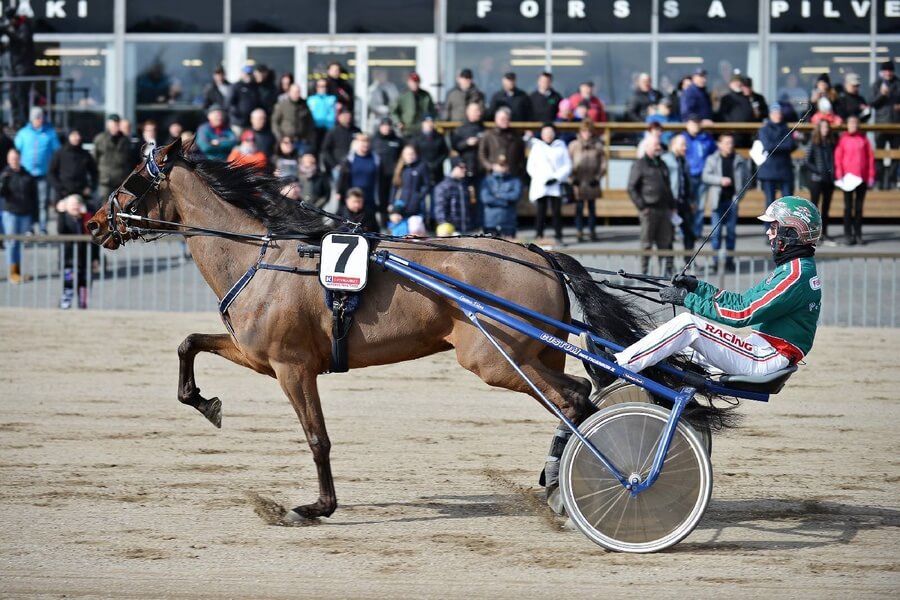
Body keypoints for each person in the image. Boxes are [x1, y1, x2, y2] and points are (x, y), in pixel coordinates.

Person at [609, 196, 821, 381]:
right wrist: (698, 288)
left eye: (773, 228)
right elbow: (741, 302)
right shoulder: (793, 269)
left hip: (764, 359)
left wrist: (687, 299)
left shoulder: (795, 275)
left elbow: (741, 314)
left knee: (688, 325)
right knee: (667, 342)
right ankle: (619, 351)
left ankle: (617, 366)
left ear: (791, 233)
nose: (768, 233)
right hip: (759, 350)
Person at [702, 133, 749, 273]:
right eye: (727, 142)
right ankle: (716, 261)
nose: (730, 145)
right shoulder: (712, 159)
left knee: (731, 233)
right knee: (716, 233)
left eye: (731, 142)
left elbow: (747, 179)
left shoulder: (739, 159)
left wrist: (740, 196)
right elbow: (705, 176)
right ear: (719, 144)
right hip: (717, 202)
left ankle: (729, 261)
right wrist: (720, 180)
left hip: (732, 201)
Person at [628, 136, 675, 275]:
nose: (658, 148)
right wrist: (642, 206)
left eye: (659, 145)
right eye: (655, 145)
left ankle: (666, 274)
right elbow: (631, 188)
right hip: (649, 210)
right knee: (646, 244)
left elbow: (667, 187)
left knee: (665, 243)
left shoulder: (662, 164)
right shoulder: (639, 164)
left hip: (664, 210)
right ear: (647, 147)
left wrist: (672, 205)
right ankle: (644, 273)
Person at [14, 107, 60, 234]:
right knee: (28, 201)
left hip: (43, 174)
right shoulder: (23, 133)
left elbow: (57, 151)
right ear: (31, 119)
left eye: (40, 117)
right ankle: (29, 228)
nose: (39, 119)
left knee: (43, 202)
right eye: (36, 117)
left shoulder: (50, 133)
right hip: (26, 174)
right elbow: (16, 151)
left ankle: (43, 228)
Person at [527, 124, 572, 246]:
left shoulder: (561, 146)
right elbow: (531, 167)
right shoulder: (537, 146)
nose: (548, 135)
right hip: (541, 184)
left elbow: (567, 165)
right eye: (545, 133)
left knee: (556, 211)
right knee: (541, 211)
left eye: (550, 132)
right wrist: (542, 179)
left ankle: (558, 236)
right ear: (542, 134)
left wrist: (556, 178)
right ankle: (538, 236)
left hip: (556, 184)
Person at [834, 115, 875, 246]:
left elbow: (870, 158)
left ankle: (858, 234)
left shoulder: (863, 139)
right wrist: (839, 173)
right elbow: (838, 157)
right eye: (851, 123)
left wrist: (871, 175)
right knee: (848, 208)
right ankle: (848, 235)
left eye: (855, 123)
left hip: (861, 177)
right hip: (847, 178)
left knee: (859, 208)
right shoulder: (843, 139)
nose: (853, 125)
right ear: (847, 125)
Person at [0, 148, 37, 283]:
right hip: (10, 213)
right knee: (11, 243)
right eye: (11, 158)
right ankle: (13, 273)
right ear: (8, 160)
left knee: (19, 244)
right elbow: (2, 194)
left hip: (25, 213)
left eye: (16, 158)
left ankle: (17, 271)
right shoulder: (5, 175)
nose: (14, 161)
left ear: (20, 159)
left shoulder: (27, 175)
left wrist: (35, 217)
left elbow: (34, 197)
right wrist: (3, 182)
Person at [568, 120, 605, 242]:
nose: (587, 134)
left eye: (589, 132)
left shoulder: (598, 146)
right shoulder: (574, 145)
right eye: (584, 131)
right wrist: (572, 179)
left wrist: (597, 178)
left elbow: (603, 164)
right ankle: (579, 231)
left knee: (592, 208)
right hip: (578, 181)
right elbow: (568, 163)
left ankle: (592, 231)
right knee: (579, 208)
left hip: (591, 181)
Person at [757, 104, 796, 218]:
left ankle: (787, 226)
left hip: (785, 169)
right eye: (775, 113)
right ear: (770, 115)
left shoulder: (787, 129)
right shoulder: (764, 130)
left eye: (779, 113)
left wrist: (776, 146)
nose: (777, 115)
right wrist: (782, 145)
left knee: (788, 202)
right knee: (770, 202)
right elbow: (768, 146)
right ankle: (769, 227)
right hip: (769, 170)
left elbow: (790, 145)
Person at [55, 194, 94, 309]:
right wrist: (61, 213)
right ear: (66, 206)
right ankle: (65, 308)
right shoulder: (64, 218)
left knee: (84, 286)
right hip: (69, 261)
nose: (75, 206)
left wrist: (95, 258)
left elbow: (93, 238)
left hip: (85, 260)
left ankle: (83, 307)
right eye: (72, 204)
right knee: (68, 286)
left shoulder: (86, 218)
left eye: (77, 204)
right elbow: (61, 230)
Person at [683, 115, 717, 238]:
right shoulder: (682, 138)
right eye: (693, 123)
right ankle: (684, 231)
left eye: (697, 123)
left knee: (700, 206)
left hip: (703, 176)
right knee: (686, 204)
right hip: (687, 176)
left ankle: (696, 232)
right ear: (687, 124)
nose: (695, 126)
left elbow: (714, 153)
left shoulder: (707, 138)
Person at [93, 113, 137, 208]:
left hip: (121, 181)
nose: (114, 127)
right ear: (108, 125)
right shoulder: (100, 139)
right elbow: (94, 160)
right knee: (104, 207)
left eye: (116, 124)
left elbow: (129, 160)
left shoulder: (125, 140)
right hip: (105, 182)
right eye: (112, 125)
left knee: (120, 207)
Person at [49, 129, 98, 211]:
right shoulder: (60, 153)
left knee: (87, 214)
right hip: (63, 193)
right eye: (74, 135)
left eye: (78, 135)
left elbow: (94, 172)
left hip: (82, 193)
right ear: (69, 137)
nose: (77, 138)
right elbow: (51, 173)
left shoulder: (85, 154)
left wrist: (91, 187)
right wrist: (59, 188)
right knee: (62, 214)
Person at [662, 134, 694, 258]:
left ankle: (689, 261)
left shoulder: (684, 161)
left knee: (689, 233)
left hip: (684, 202)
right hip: (670, 203)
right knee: (668, 235)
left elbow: (687, 182)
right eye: (682, 145)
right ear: (673, 145)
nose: (685, 148)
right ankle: (668, 264)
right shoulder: (665, 160)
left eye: (685, 145)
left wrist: (692, 199)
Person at [804, 120, 836, 244]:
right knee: (814, 208)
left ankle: (824, 232)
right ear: (819, 128)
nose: (825, 129)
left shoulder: (831, 143)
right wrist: (819, 171)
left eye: (827, 127)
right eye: (823, 127)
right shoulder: (813, 142)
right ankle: (813, 233)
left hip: (829, 179)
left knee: (826, 207)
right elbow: (807, 161)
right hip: (816, 179)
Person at [870, 61, 900, 189]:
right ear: (882, 72)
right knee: (879, 153)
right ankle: (879, 180)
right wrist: (882, 94)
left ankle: (892, 181)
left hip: (896, 125)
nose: (888, 73)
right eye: (886, 70)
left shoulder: (898, 83)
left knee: (895, 153)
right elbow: (872, 102)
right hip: (880, 124)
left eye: (890, 70)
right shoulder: (877, 84)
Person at [388, 145, 429, 236]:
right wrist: (391, 203)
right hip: (400, 206)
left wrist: (418, 197)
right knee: (399, 233)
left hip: (416, 208)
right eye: (407, 154)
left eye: (412, 154)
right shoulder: (400, 168)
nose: (410, 156)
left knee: (415, 228)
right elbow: (394, 187)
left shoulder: (422, 167)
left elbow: (426, 185)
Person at [4, 7, 34, 129]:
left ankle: (23, 122)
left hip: (23, 69)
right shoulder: (14, 30)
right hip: (14, 70)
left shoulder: (24, 27)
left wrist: (9, 32)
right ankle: (15, 121)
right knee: (13, 97)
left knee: (21, 96)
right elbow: (8, 48)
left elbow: (22, 42)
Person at [336, 133, 379, 213]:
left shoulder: (375, 158)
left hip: (369, 198)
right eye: (362, 142)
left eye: (367, 142)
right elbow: (342, 176)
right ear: (356, 143)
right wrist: (339, 191)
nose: (365, 144)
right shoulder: (350, 158)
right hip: (353, 198)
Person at [478, 107, 525, 180]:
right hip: (492, 175)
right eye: (502, 119)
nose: (505, 121)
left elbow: (521, 155)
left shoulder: (515, 136)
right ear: (496, 119)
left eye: (507, 119)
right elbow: (482, 155)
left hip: (511, 175)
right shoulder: (488, 135)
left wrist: (515, 168)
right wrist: (491, 167)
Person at [480, 156, 521, 239]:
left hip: (508, 222)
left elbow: (515, 196)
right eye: (500, 165)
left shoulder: (515, 180)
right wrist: (505, 201)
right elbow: (486, 199)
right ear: (494, 166)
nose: (503, 168)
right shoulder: (487, 180)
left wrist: (499, 195)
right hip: (491, 222)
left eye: (505, 165)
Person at [371, 117, 403, 223]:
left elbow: (402, 156)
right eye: (384, 126)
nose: (387, 128)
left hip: (394, 175)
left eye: (388, 126)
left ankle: (392, 220)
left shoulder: (397, 140)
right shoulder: (374, 139)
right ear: (380, 127)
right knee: (381, 198)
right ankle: (382, 221)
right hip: (378, 175)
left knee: (392, 198)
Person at [434, 158, 476, 235]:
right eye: (461, 167)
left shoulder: (465, 185)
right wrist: (444, 225)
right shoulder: (443, 187)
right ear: (453, 168)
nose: (464, 170)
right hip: (452, 231)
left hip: (468, 229)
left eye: (465, 167)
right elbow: (440, 208)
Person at [272, 84, 314, 155]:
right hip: (286, 141)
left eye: (298, 92)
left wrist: (308, 137)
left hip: (301, 141)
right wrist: (280, 137)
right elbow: (275, 122)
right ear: (289, 93)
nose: (296, 94)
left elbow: (310, 123)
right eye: (294, 92)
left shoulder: (304, 105)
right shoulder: (282, 105)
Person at [391, 72, 435, 137]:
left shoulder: (425, 95)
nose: (414, 84)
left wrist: (430, 121)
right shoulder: (402, 95)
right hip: (407, 129)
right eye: (412, 82)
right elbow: (393, 111)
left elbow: (432, 111)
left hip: (422, 129)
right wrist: (398, 122)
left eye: (416, 82)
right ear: (408, 83)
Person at [320, 108, 360, 179]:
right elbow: (325, 149)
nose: (347, 118)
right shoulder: (333, 131)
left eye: (348, 116)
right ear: (339, 117)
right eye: (345, 116)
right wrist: (334, 165)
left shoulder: (356, 131)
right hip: (338, 167)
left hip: (355, 166)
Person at [717, 75, 755, 147]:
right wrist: (730, 128)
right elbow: (723, 115)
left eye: (739, 82)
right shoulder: (727, 98)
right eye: (735, 82)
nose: (737, 84)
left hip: (747, 133)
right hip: (733, 133)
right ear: (730, 84)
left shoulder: (747, 98)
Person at [411, 115, 449, 186]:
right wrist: (424, 164)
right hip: (421, 170)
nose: (429, 124)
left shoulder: (439, 136)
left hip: (437, 171)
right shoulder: (416, 137)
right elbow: (414, 152)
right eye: (427, 122)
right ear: (422, 123)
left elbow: (445, 152)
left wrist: (436, 163)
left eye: (431, 122)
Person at [307, 79, 338, 155]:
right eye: (319, 86)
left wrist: (330, 127)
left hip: (328, 128)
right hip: (314, 129)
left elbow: (333, 113)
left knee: (326, 149)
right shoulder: (311, 99)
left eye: (324, 86)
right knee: (314, 149)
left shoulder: (332, 99)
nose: (321, 88)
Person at [227, 65, 261, 132]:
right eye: (246, 74)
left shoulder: (255, 87)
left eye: (249, 74)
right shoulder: (236, 86)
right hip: (238, 122)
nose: (248, 76)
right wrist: (237, 113)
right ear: (242, 74)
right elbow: (229, 103)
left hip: (251, 122)